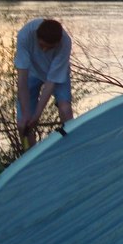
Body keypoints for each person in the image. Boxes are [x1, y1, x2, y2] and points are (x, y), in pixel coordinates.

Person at [14, 18, 73, 149]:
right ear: (36, 37)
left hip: (56, 74)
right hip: (32, 72)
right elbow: (22, 79)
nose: (45, 50)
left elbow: (51, 81)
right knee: (22, 123)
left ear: (58, 43)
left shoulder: (65, 42)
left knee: (65, 110)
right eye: (42, 46)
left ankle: (72, 148)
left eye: (50, 48)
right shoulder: (25, 35)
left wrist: (37, 115)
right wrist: (27, 115)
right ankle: (31, 156)